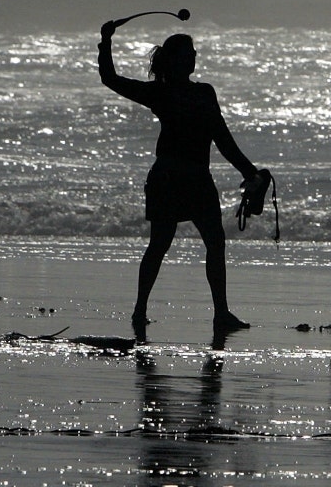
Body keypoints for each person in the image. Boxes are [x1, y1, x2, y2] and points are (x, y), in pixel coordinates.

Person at [99, 20, 259, 331]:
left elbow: (222, 139)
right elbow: (222, 139)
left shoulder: (175, 93)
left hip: (177, 177)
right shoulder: (184, 93)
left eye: (194, 53)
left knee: (183, 244)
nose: (193, 58)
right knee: (186, 243)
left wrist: (249, 171)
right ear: (174, 60)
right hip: (183, 177)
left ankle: (154, 311)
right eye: (188, 54)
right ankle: (210, 313)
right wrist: (105, 42)